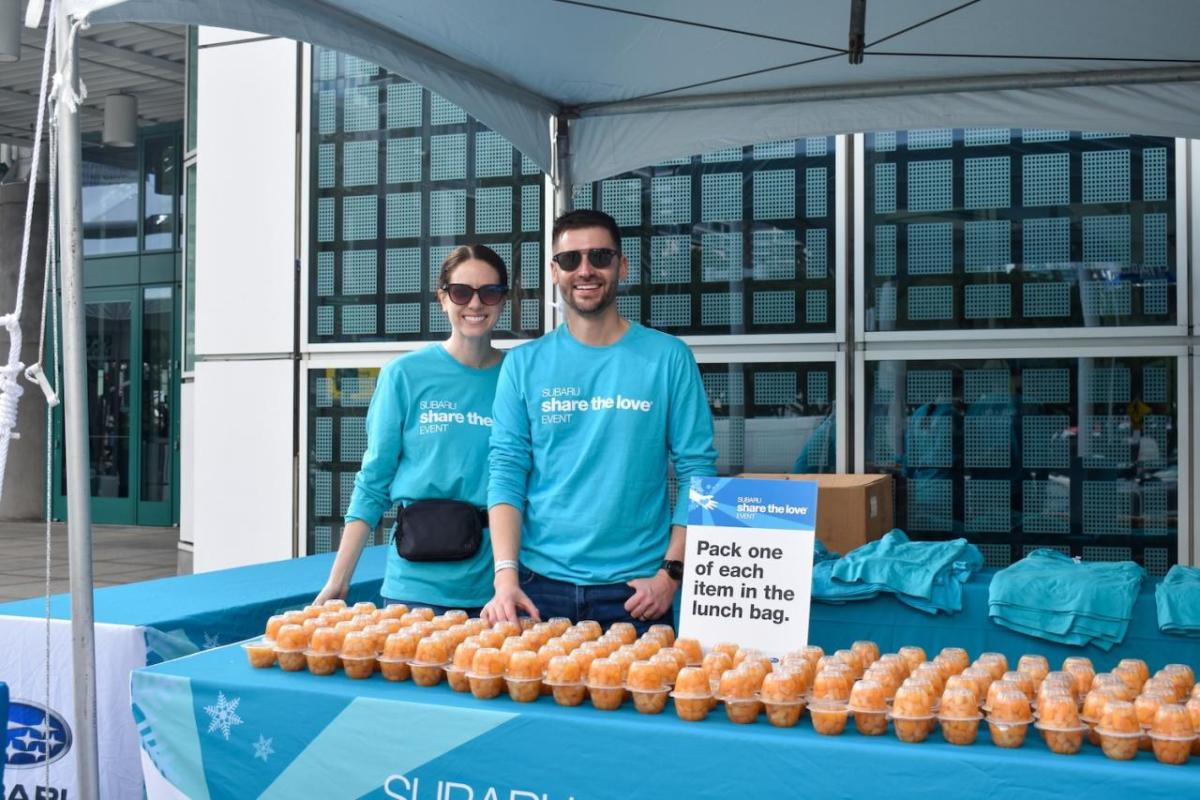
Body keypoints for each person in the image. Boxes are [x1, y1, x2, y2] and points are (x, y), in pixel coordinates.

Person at [483, 209, 717, 631]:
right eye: (571, 260)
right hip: (539, 589)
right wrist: (505, 577)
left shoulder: (668, 358)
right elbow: (506, 471)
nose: (585, 270)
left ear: (622, 266)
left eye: (600, 257)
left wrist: (671, 576)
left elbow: (698, 473)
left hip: (637, 593)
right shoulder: (523, 365)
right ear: (554, 272)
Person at [315, 245, 510, 614]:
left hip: (499, 592)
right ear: (442, 298)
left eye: (489, 292)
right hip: (417, 587)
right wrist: (338, 581)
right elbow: (374, 481)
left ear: (503, 300)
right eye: (461, 292)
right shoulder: (404, 375)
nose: (475, 304)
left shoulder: (519, 375)